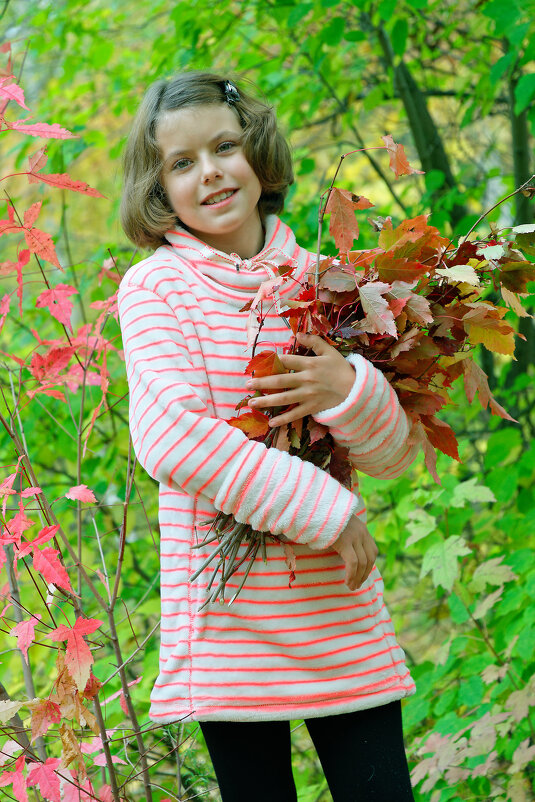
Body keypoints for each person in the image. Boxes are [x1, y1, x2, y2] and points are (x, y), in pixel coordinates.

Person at [118, 71, 419, 802]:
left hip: (337, 607)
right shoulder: (158, 289)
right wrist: (327, 508)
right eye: (181, 163)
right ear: (157, 188)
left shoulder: (327, 282)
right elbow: (173, 440)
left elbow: (390, 454)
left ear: (255, 151)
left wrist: (347, 389)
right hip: (229, 626)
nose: (211, 172)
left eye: (224, 147)